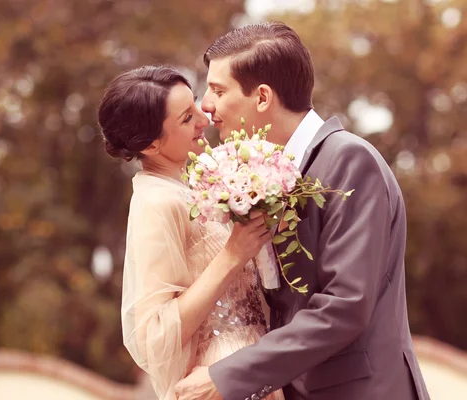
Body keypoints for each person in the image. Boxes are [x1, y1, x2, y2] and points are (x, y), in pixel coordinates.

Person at [174, 21, 431, 400]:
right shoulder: (267, 174)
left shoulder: (348, 160)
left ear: (262, 97)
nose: (206, 107)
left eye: (217, 90)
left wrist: (228, 376)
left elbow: (345, 306)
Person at [98, 66, 284, 400]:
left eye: (196, 104)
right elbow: (156, 335)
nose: (205, 118)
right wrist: (232, 255)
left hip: (253, 366)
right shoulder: (156, 202)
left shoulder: (195, 185)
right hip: (217, 374)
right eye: (186, 118)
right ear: (152, 145)